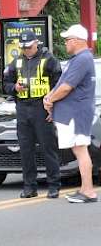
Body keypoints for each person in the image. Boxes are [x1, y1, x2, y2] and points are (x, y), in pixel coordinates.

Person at [2, 30, 62, 199]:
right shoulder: (16, 62)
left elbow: (59, 85)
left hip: (42, 107)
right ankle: (29, 186)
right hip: (23, 108)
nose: (26, 50)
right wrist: (14, 88)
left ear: (36, 43)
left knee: (48, 148)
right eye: (23, 47)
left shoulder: (49, 60)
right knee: (26, 150)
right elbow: (5, 83)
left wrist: (54, 107)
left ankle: (53, 185)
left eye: (29, 47)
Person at [44, 24, 98, 203]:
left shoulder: (82, 59)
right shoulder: (78, 59)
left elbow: (67, 87)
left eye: (67, 40)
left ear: (76, 40)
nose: (65, 42)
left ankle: (88, 191)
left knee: (81, 149)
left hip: (76, 113)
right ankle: (84, 189)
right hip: (72, 112)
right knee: (78, 149)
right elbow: (62, 84)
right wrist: (50, 97)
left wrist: (50, 100)